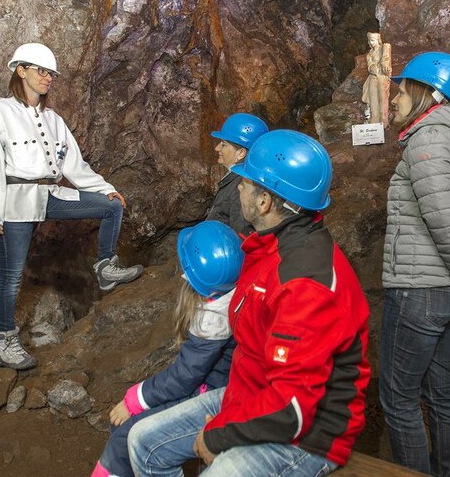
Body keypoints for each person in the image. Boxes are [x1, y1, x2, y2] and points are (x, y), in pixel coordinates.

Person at [128, 130, 370, 476]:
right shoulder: (267, 246)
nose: (238, 186)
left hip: (308, 433)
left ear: (264, 201)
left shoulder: (303, 282)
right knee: (143, 441)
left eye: (245, 182)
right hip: (251, 394)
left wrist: (218, 434)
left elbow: (293, 408)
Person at [0, 42, 143, 370]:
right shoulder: (0, 112)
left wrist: (107, 190)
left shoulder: (53, 120)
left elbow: (75, 167)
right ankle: (3, 341)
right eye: (41, 71)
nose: (48, 78)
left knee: (111, 207)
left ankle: (106, 268)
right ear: (20, 70)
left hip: (51, 194)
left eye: (51, 73)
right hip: (13, 202)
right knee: (10, 275)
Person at [380, 52, 450, 476]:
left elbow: (446, 221)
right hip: (437, 290)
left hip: (418, 291)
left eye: (402, 88)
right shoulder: (445, 138)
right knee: (439, 391)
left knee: (398, 397)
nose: (393, 98)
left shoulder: (429, 139)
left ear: (430, 92)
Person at [92, 220, 242, 477]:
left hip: (210, 396)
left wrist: (135, 399)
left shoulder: (213, 319)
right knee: (123, 429)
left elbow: (185, 376)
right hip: (208, 387)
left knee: (126, 435)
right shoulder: (233, 296)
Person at [207, 113, 269, 234]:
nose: (217, 148)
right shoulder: (235, 179)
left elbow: (241, 235)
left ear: (241, 153)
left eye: (223, 144)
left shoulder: (242, 187)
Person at [361, 32, 393, 126]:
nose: (371, 43)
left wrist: (385, 68)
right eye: (369, 41)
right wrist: (372, 67)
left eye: (373, 40)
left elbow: (386, 64)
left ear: (378, 40)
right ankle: (374, 118)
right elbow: (370, 66)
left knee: (382, 98)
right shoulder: (369, 54)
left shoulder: (384, 50)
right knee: (373, 98)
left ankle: (383, 120)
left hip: (382, 78)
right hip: (373, 78)